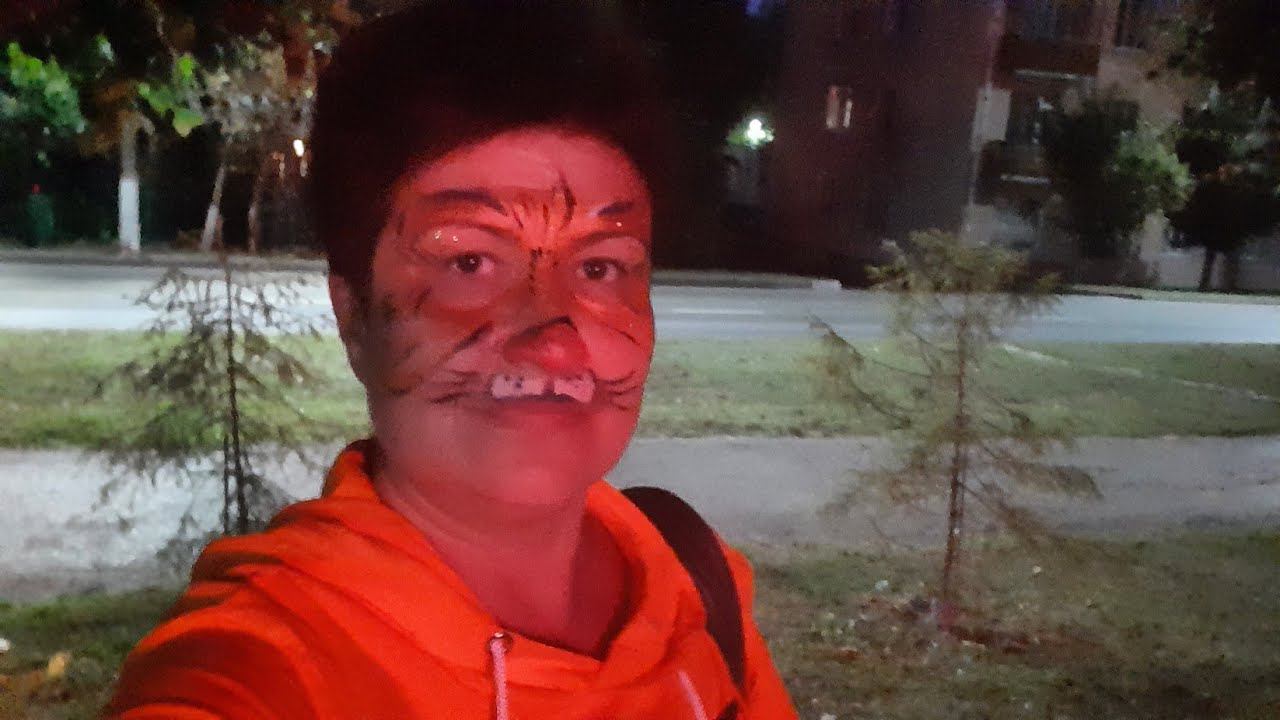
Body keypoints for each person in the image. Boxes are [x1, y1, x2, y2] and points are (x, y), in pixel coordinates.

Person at [106, 2, 797, 718]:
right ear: (354, 318)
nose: (554, 339)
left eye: (600, 267)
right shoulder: (269, 663)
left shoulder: (695, 586)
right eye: (469, 262)